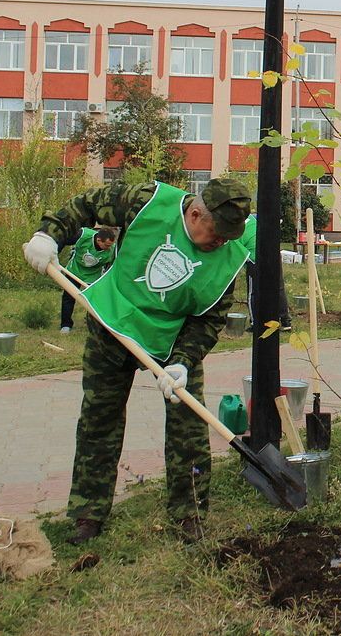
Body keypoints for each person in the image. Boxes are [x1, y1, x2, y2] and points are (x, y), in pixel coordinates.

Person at [22, 177, 253, 544]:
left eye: (229, 235)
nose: (222, 241)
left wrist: (183, 363)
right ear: (195, 213)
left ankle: (189, 514)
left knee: (189, 429)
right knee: (100, 419)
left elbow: (208, 319)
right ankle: (88, 513)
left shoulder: (228, 259)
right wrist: (49, 235)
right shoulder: (147, 202)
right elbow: (86, 205)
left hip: (171, 339)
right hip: (112, 323)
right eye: (217, 232)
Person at [59, 227, 118, 332]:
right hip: (75, 271)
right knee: (68, 297)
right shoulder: (83, 235)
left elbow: (112, 267)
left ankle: (96, 325)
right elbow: (63, 239)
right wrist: (54, 253)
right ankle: (66, 325)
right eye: (107, 245)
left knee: (95, 301)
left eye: (110, 245)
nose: (109, 248)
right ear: (99, 240)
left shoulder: (113, 249)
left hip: (93, 275)